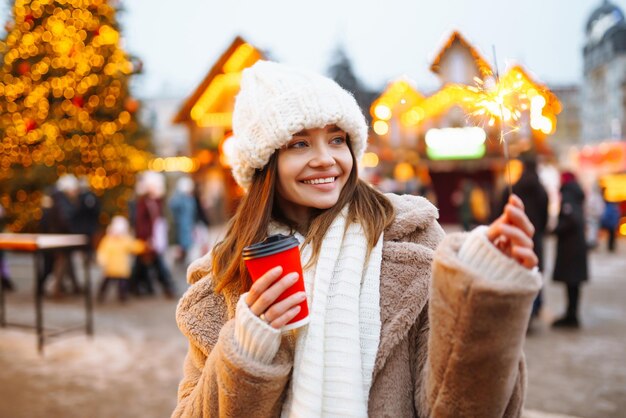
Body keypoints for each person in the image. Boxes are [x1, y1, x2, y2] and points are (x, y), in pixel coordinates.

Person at [172, 61, 540, 417]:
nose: (326, 159)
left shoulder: (414, 239)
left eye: (337, 139)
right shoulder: (223, 277)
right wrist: (247, 350)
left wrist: (481, 298)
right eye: (300, 144)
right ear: (264, 164)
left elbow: (460, 407)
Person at [499, 154, 549, 322]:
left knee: (516, 270)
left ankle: (519, 310)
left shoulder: (512, 188)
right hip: (535, 238)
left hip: (513, 235)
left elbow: (498, 212)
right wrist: (539, 231)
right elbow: (545, 217)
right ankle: (534, 307)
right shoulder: (541, 190)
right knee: (534, 270)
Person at [552, 171, 588, 329]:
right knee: (574, 283)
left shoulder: (568, 195)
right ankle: (572, 313)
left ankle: (571, 315)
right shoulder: (576, 194)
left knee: (572, 282)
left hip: (570, 249)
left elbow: (572, 219)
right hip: (576, 247)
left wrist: (556, 229)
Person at [133, 171, 176, 299]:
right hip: (148, 238)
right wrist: (147, 237)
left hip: (155, 237)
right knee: (152, 262)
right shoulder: (144, 202)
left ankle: (137, 286)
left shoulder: (155, 201)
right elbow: (142, 222)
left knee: (145, 263)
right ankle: (167, 286)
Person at [96, 216, 145, 303]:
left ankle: (122, 296)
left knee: (120, 284)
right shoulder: (109, 240)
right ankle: (104, 295)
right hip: (112, 269)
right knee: (108, 283)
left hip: (118, 269)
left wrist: (143, 246)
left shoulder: (122, 240)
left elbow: (134, 246)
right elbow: (102, 252)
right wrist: (102, 260)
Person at [168, 176, 197, 264]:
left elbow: (193, 212)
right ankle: (181, 259)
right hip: (181, 225)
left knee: (188, 244)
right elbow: (173, 208)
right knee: (182, 244)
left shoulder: (189, 198)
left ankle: (184, 258)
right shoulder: (178, 198)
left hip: (188, 224)